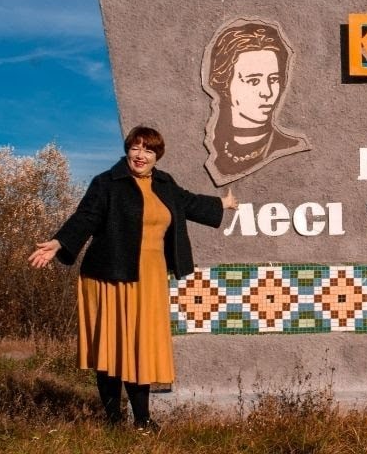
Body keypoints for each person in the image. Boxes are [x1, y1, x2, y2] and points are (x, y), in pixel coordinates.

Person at [29, 125, 237, 429]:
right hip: (109, 276)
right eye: (135, 147)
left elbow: (188, 202)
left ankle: (142, 420)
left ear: (157, 156)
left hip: (149, 278)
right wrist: (59, 242)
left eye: (148, 150)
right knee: (112, 347)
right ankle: (113, 420)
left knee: (141, 345)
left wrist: (223, 203)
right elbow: (86, 217)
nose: (141, 155)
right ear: (127, 150)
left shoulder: (165, 184)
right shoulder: (107, 183)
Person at [203, 19, 309, 184]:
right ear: (224, 84)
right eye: (253, 81)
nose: (267, 92)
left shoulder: (288, 145)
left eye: (273, 79)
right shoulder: (215, 145)